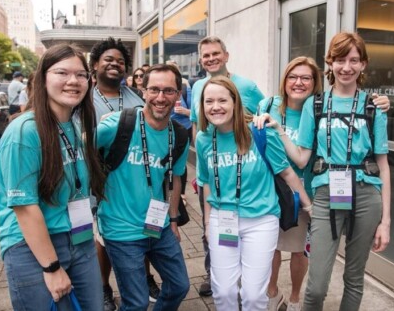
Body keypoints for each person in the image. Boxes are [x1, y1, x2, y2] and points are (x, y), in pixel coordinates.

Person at [265, 32, 391, 311]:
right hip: (325, 194)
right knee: (317, 285)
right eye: (340, 60)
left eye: (354, 60)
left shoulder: (374, 107)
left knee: (354, 278)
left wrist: (386, 221)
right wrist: (278, 130)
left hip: (367, 195)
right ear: (330, 64)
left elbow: (383, 165)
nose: (347, 67)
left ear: (363, 65)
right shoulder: (316, 104)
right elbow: (301, 159)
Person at [0, 44, 106, 310]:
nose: (73, 81)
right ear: (43, 78)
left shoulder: (75, 124)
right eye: (62, 73)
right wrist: (51, 266)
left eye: (81, 75)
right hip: (33, 247)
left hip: (78, 238)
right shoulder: (24, 132)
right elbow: (24, 207)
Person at [196, 75, 312, 310]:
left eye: (222, 100)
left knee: (252, 295)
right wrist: (208, 223)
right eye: (209, 102)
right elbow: (206, 181)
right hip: (223, 220)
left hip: (261, 221)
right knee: (224, 291)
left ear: (235, 102)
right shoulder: (203, 139)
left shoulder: (260, 133)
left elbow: (287, 173)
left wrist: (309, 208)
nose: (215, 107)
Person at [96, 64, 190, 311]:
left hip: (158, 227)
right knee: (136, 303)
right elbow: (80, 148)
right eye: (155, 90)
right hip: (121, 229)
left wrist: (172, 220)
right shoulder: (118, 125)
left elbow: (175, 178)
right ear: (143, 91)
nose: (161, 98)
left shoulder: (178, 135)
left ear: (178, 94)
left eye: (169, 91)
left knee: (179, 286)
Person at [189, 35, 266, 296]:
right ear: (201, 60)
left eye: (215, 53)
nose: (211, 58)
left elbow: (266, 115)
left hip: (245, 169)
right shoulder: (198, 87)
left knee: (246, 222)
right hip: (214, 170)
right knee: (211, 223)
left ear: (226, 55)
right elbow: (196, 126)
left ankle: (247, 275)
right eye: (206, 55)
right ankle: (216, 274)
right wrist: (200, 167)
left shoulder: (247, 86)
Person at [88, 37, 154, 310]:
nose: (115, 65)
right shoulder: (85, 98)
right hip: (99, 181)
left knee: (147, 230)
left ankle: (146, 278)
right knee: (101, 236)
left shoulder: (136, 97)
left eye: (120, 61)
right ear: (94, 66)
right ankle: (104, 287)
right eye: (108, 60)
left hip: (136, 178)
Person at [166, 60, 192, 202]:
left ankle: (181, 193)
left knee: (181, 161)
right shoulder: (162, 87)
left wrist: (185, 111)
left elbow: (194, 111)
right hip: (165, 128)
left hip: (184, 128)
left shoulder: (184, 87)